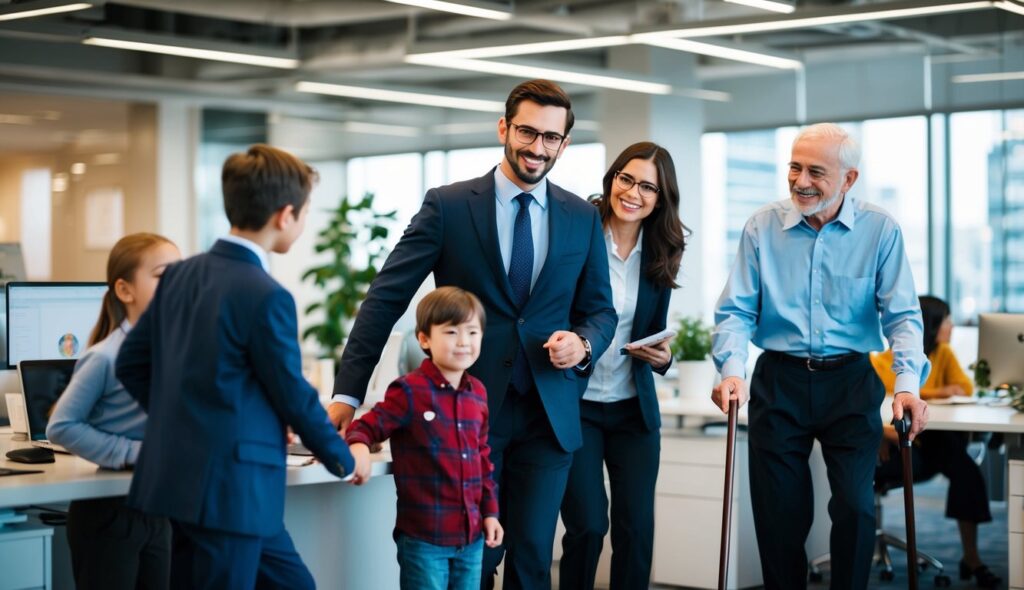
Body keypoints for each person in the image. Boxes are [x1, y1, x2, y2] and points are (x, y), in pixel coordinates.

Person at [327, 79, 617, 589]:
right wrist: (347, 394)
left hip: (548, 417)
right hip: (463, 415)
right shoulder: (450, 206)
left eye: (551, 138)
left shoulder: (581, 216)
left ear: (564, 144)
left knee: (532, 564)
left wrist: (584, 342)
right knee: (472, 563)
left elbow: (599, 311)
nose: (537, 147)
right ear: (504, 127)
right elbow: (384, 300)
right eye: (527, 131)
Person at [115, 144, 356, 590]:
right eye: (305, 214)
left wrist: (191, 422)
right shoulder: (265, 293)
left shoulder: (181, 274)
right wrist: (343, 458)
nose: (303, 223)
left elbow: (132, 363)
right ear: (286, 215)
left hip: (198, 482)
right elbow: (293, 396)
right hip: (230, 490)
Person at [710, 122, 930, 590]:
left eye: (815, 171)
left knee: (853, 505)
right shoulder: (761, 226)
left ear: (849, 179)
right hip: (778, 382)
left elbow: (903, 318)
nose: (800, 181)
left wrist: (907, 385)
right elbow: (735, 312)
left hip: (850, 382)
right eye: (794, 167)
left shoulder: (880, 230)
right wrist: (731, 369)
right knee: (779, 516)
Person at [559, 142, 686, 589]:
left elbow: (656, 327)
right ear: (612, 179)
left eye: (647, 186)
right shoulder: (578, 232)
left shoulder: (663, 249)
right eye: (626, 179)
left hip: (633, 410)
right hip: (579, 406)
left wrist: (664, 356)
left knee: (636, 530)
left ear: (660, 197)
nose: (633, 192)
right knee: (589, 526)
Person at [346, 286, 504, 590]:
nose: (463, 342)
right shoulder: (408, 391)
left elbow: (482, 460)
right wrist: (359, 447)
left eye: (472, 332)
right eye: (451, 332)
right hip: (424, 539)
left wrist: (491, 512)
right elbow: (366, 427)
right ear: (424, 339)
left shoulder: (479, 394)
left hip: (471, 539)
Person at [47, 232, 181, 590]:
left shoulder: (174, 352)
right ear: (125, 291)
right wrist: (133, 453)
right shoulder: (104, 356)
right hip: (110, 512)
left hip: (158, 507)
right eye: (163, 275)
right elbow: (61, 425)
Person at [872, 295, 1001, 589]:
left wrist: (923, 395)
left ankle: (972, 557)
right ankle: (973, 559)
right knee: (961, 464)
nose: (952, 326)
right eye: (947, 320)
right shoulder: (880, 362)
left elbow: (963, 388)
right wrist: (929, 394)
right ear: (932, 324)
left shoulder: (942, 354)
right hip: (893, 450)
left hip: (927, 444)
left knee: (961, 465)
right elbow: (891, 399)